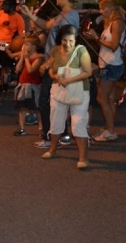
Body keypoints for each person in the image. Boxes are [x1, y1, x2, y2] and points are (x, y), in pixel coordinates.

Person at [20, 0, 80, 148]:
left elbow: (66, 45)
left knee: (45, 101)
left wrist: (48, 62)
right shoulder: (63, 15)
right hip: (55, 63)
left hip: (57, 65)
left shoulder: (70, 18)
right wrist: (30, 14)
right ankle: (62, 135)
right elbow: (47, 25)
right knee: (56, 101)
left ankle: (49, 137)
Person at [40, 25, 93, 170]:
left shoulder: (81, 51)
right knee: (56, 120)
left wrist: (69, 80)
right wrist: (53, 76)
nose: (68, 44)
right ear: (60, 39)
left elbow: (88, 72)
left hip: (79, 91)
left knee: (78, 123)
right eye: (65, 40)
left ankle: (83, 158)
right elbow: (51, 68)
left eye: (71, 40)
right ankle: (52, 150)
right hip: (59, 90)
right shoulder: (56, 50)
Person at [83, 0, 125, 142]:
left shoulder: (117, 23)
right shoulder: (111, 22)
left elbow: (114, 46)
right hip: (108, 64)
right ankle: (109, 127)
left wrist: (96, 38)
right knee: (110, 98)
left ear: (112, 7)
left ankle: (111, 131)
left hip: (111, 65)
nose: (101, 11)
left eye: (103, 8)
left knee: (102, 99)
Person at [0, 0, 25, 93]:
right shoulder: (1, 13)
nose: (3, 7)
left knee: (6, 67)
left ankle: (4, 87)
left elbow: (21, 35)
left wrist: (13, 45)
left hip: (8, 45)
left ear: (12, 7)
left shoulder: (18, 18)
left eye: (6, 5)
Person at [12, 37, 43, 136]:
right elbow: (17, 69)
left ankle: (41, 128)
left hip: (32, 85)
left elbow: (31, 70)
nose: (24, 46)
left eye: (27, 45)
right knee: (22, 108)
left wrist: (26, 58)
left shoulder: (38, 58)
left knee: (36, 108)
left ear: (34, 47)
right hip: (22, 84)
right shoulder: (25, 56)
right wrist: (22, 57)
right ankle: (21, 128)